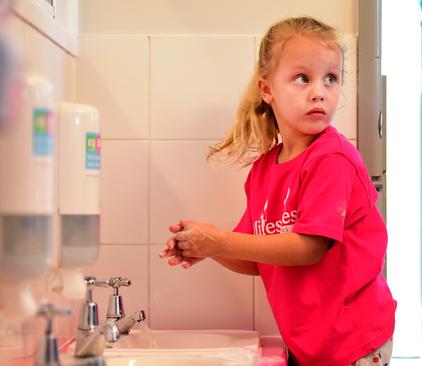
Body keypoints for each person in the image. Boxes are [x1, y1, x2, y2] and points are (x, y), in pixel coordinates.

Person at [159, 16, 396, 366]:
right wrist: (207, 244)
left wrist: (218, 240)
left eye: (330, 79)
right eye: (302, 78)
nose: (319, 91)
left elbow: (308, 248)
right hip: (311, 344)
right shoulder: (264, 171)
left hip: (354, 341)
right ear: (267, 89)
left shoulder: (332, 159)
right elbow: (255, 256)